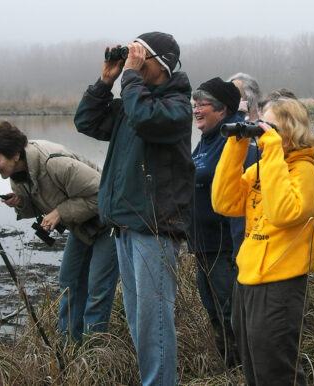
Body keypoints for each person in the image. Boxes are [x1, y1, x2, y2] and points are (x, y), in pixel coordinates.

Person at [73, 32, 192, 385]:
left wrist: (129, 78)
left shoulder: (175, 107)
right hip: (125, 226)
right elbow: (86, 122)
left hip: (154, 228)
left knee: (153, 322)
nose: (133, 61)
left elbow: (145, 119)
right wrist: (105, 80)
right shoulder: (132, 101)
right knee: (139, 321)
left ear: (162, 62)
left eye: (141, 55)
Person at [212, 97, 314, 385]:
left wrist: (272, 150)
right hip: (247, 281)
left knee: (277, 372)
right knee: (254, 369)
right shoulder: (262, 169)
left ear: (290, 129)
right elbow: (223, 202)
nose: (261, 132)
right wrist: (236, 146)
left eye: (269, 126)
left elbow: (283, 214)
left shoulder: (305, 172)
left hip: (280, 286)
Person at [0, 120, 118, 342]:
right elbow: (42, 200)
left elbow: (106, 195)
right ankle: (69, 346)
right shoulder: (18, 173)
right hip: (83, 223)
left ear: (14, 154)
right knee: (69, 282)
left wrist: (60, 212)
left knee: (98, 288)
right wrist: (21, 202)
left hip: (112, 223)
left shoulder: (53, 163)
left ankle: (95, 352)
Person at [188, 77, 244, 368]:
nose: (196, 109)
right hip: (202, 244)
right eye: (194, 104)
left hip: (224, 245)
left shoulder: (232, 139)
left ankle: (242, 369)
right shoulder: (206, 141)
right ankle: (228, 367)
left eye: (202, 104)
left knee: (229, 312)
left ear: (222, 109)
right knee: (213, 312)